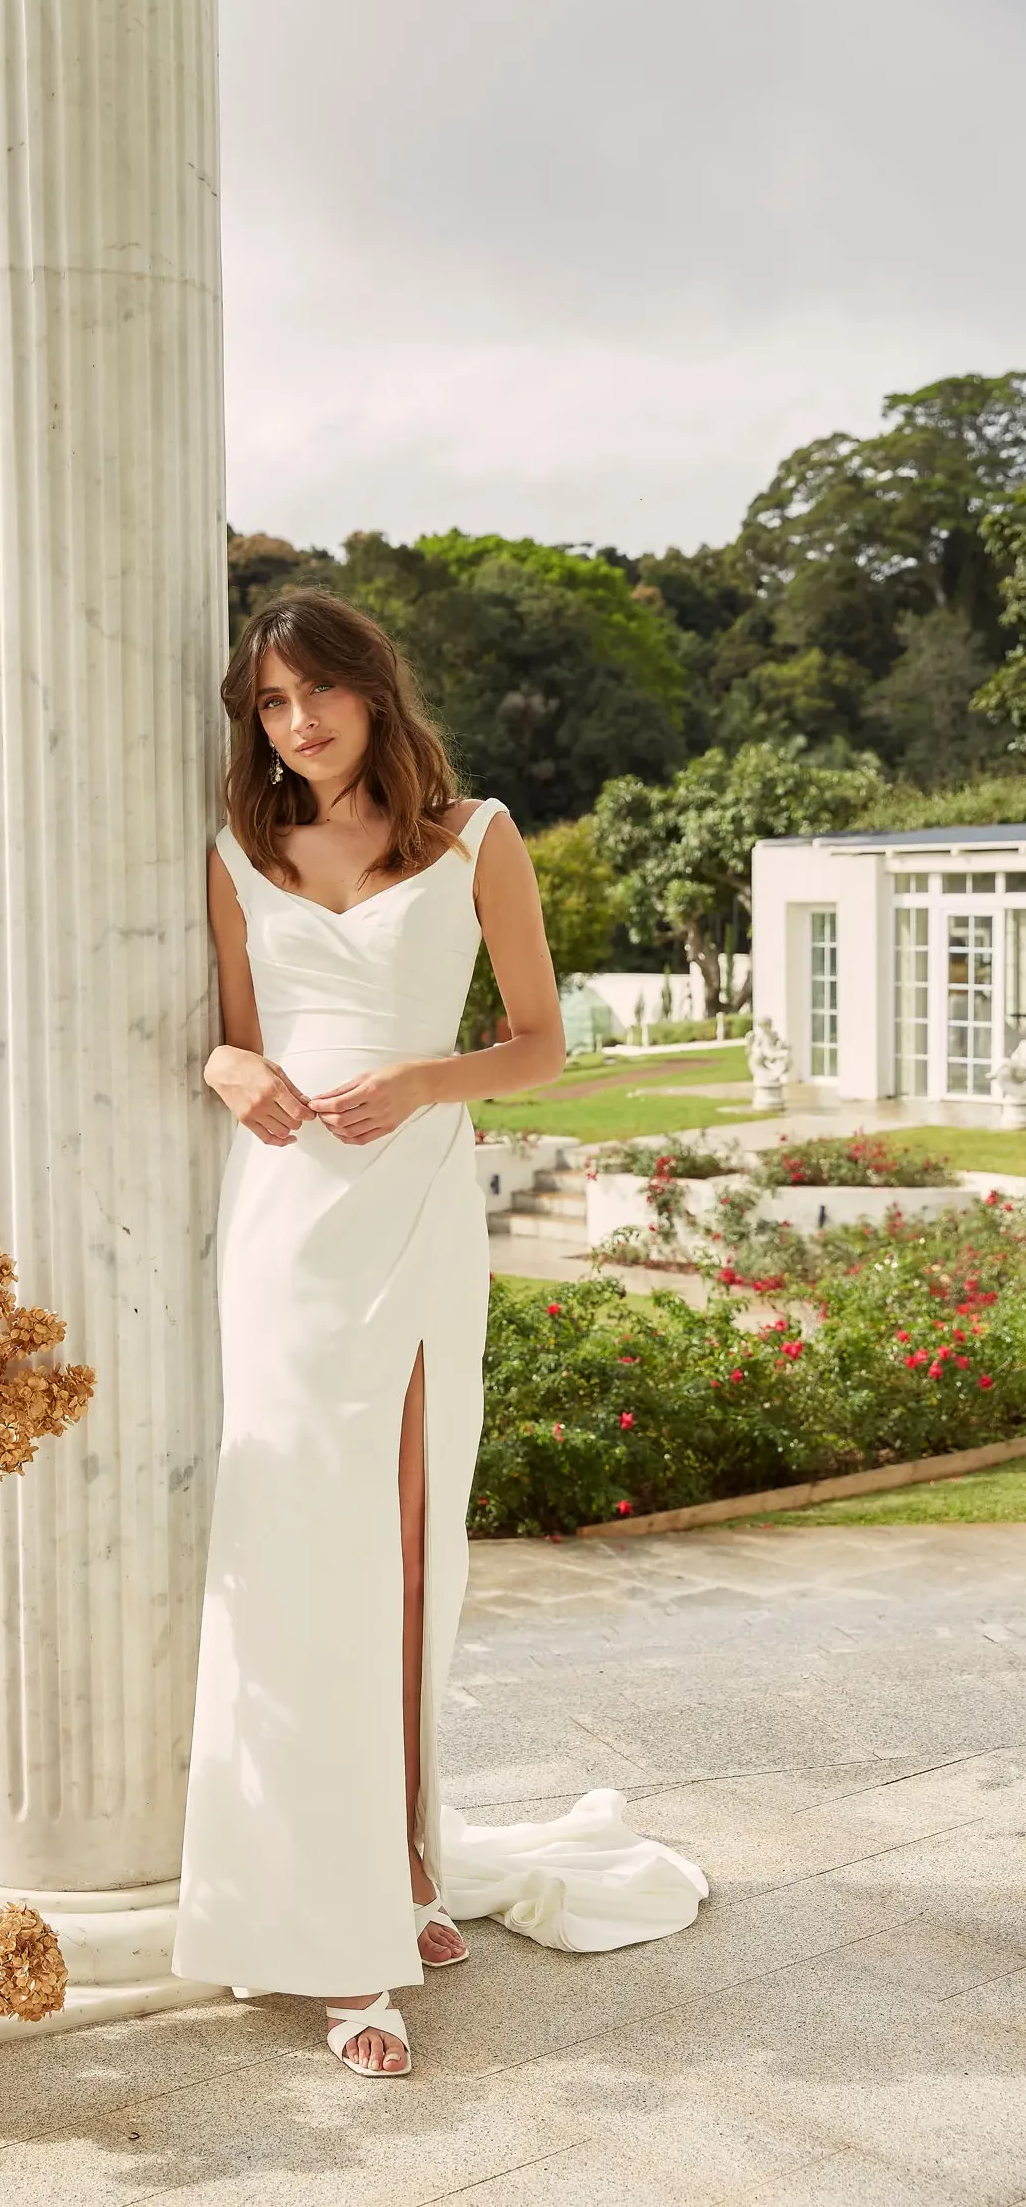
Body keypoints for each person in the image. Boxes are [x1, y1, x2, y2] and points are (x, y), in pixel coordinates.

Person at [169, 591, 706, 2078]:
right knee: (293, 1552)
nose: (297, 725)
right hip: (281, 1228)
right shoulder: (239, 853)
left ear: (369, 688)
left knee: (409, 1547)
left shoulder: (477, 835)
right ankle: (327, 1924)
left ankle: (403, 1862)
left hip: (411, 1200)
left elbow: (539, 1041)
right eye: (269, 707)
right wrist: (224, 1065)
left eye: (315, 692)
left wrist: (422, 1082)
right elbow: (234, 1033)